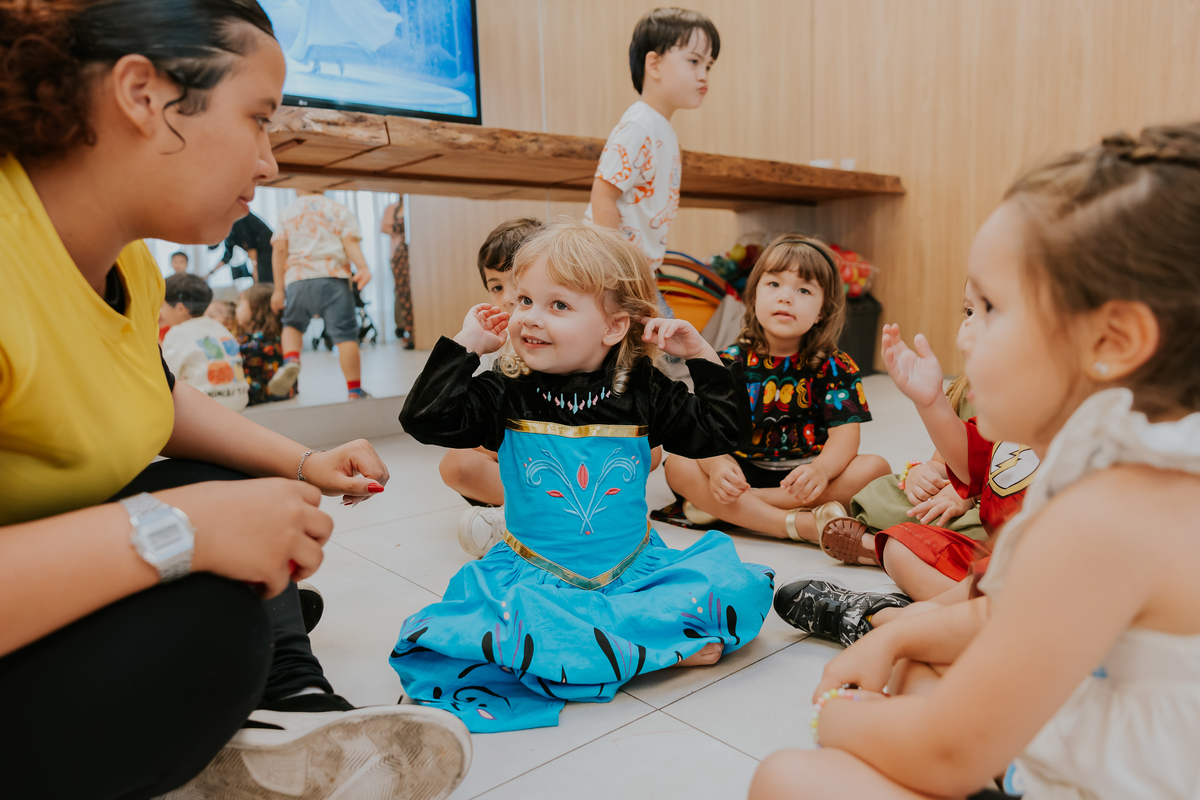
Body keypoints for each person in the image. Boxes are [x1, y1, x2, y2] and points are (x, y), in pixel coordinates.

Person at [0, 3, 470, 798]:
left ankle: (286, 709)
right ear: (143, 95)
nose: (270, 164)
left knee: (241, 508)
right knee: (208, 619)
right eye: (257, 118)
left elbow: (155, 394)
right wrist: (178, 532)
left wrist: (304, 462)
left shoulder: (127, 264)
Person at [750, 123, 1200, 800]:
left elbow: (947, 753)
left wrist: (837, 716)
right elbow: (998, 606)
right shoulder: (1117, 450)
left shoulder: (1108, 516)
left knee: (787, 778)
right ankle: (882, 628)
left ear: (1112, 340)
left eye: (989, 308)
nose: (964, 334)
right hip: (1080, 731)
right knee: (920, 668)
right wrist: (897, 642)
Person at [391, 220, 773, 733]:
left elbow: (718, 433)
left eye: (559, 306)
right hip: (534, 573)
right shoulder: (507, 389)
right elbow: (424, 419)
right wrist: (466, 347)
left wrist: (701, 356)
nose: (529, 317)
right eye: (523, 301)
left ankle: (597, 651)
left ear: (614, 326)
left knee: (734, 592)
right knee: (498, 627)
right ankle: (648, 649)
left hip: (632, 569)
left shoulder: (644, 389)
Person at [774, 295, 1042, 648]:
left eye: (992, 310)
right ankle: (920, 622)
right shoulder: (1001, 406)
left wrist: (898, 631)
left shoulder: (1097, 456)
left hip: (1034, 584)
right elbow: (965, 458)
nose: (965, 330)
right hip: (996, 567)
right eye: (968, 312)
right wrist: (930, 403)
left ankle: (878, 619)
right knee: (900, 547)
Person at [664, 235, 892, 543]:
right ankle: (796, 523)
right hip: (741, 471)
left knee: (874, 469)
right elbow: (706, 426)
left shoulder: (835, 365)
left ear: (823, 311)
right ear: (754, 296)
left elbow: (845, 435)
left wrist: (822, 470)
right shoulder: (727, 360)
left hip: (807, 476)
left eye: (803, 290)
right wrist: (717, 464)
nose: (786, 297)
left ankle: (735, 509)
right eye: (773, 285)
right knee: (678, 464)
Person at [584, 7, 717, 309]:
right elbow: (603, 192)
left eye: (709, 65)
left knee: (657, 348)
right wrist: (615, 269)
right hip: (611, 273)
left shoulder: (660, 127)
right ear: (654, 64)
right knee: (665, 350)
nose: (704, 75)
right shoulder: (639, 124)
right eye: (694, 61)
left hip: (637, 273)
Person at [269, 189, 372, 400]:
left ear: (298, 187)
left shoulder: (287, 212)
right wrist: (363, 267)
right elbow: (349, 243)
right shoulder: (338, 209)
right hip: (333, 279)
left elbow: (279, 250)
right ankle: (354, 391)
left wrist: (279, 290)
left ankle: (292, 360)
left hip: (297, 280)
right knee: (345, 336)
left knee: (292, 325)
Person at [161, 273, 251, 411]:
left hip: (204, 410)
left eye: (163, 306)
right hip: (238, 402)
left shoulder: (178, 333)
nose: (160, 313)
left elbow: (163, 379)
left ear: (180, 308)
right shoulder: (219, 328)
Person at [237, 282, 295, 405]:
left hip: (259, 396)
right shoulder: (281, 336)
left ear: (255, 308)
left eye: (240, 304)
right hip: (286, 394)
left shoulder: (252, 340)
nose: (237, 309)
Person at [381, 198, 414, 348]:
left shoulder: (415, 205)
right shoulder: (392, 208)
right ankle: (405, 330)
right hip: (399, 254)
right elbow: (384, 228)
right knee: (402, 291)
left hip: (415, 253)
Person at [207, 209, 274, 283]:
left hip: (269, 248)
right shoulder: (228, 235)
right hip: (259, 253)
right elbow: (227, 257)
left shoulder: (234, 219)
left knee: (263, 282)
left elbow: (251, 247)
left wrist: (255, 272)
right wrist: (209, 273)